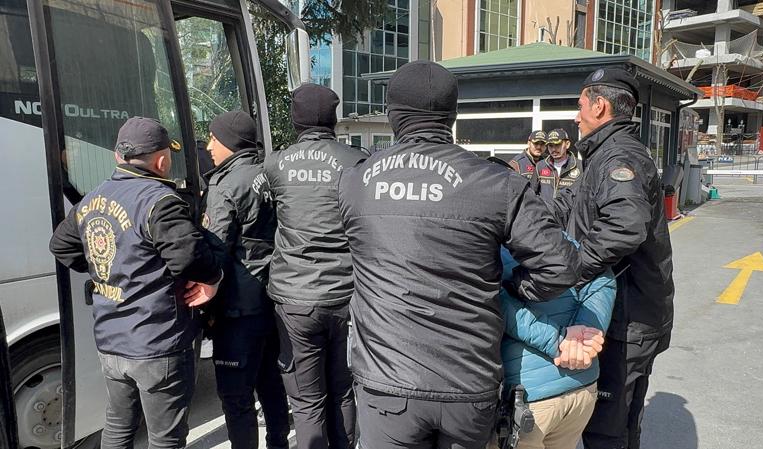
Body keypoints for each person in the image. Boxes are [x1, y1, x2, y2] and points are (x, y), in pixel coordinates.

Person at [337, 60, 581, 449]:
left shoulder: (355, 182)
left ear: (393, 115)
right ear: (452, 116)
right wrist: (510, 286)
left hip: (388, 385)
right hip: (468, 385)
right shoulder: (498, 182)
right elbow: (561, 266)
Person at [49, 117, 223, 449]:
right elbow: (190, 258)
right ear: (162, 161)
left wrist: (105, 270)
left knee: (117, 427)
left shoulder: (92, 199)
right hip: (158, 342)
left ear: (118, 156)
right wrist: (213, 280)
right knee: (165, 438)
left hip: (111, 341)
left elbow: (61, 245)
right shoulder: (159, 201)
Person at [545, 68, 674, 449]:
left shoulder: (619, 157)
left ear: (599, 106)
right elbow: (569, 207)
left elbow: (624, 227)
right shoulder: (603, 155)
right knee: (620, 423)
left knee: (606, 428)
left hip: (628, 318)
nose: (576, 116)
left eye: (580, 106)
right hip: (629, 313)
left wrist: (571, 271)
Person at [262, 83, 365, 449]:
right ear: (333, 120)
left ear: (296, 120)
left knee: (306, 402)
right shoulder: (356, 162)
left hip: (295, 300)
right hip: (345, 296)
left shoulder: (275, 164)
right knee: (343, 391)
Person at [202, 110, 290, 449]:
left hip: (238, 308)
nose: (208, 146)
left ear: (230, 142)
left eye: (213, 138)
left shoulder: (226, 185)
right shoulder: (271, 173)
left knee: (236, 397)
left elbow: (215, 250)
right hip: (274, 297)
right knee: (271, 384)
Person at [494, 246, 615, 449]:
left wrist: (560, 341)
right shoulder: (562, 239)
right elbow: (602, 276)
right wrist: (585, 338)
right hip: (581, 387)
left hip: (527, 397)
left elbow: (494, 300)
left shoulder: (487, 246)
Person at [536, 128, 582, 201]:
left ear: (567, 144)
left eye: (557, 145)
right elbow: (532, 194)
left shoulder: (581, 166)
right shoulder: (540, 166)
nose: (553, 149)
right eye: (550, 146)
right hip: (545, 208)